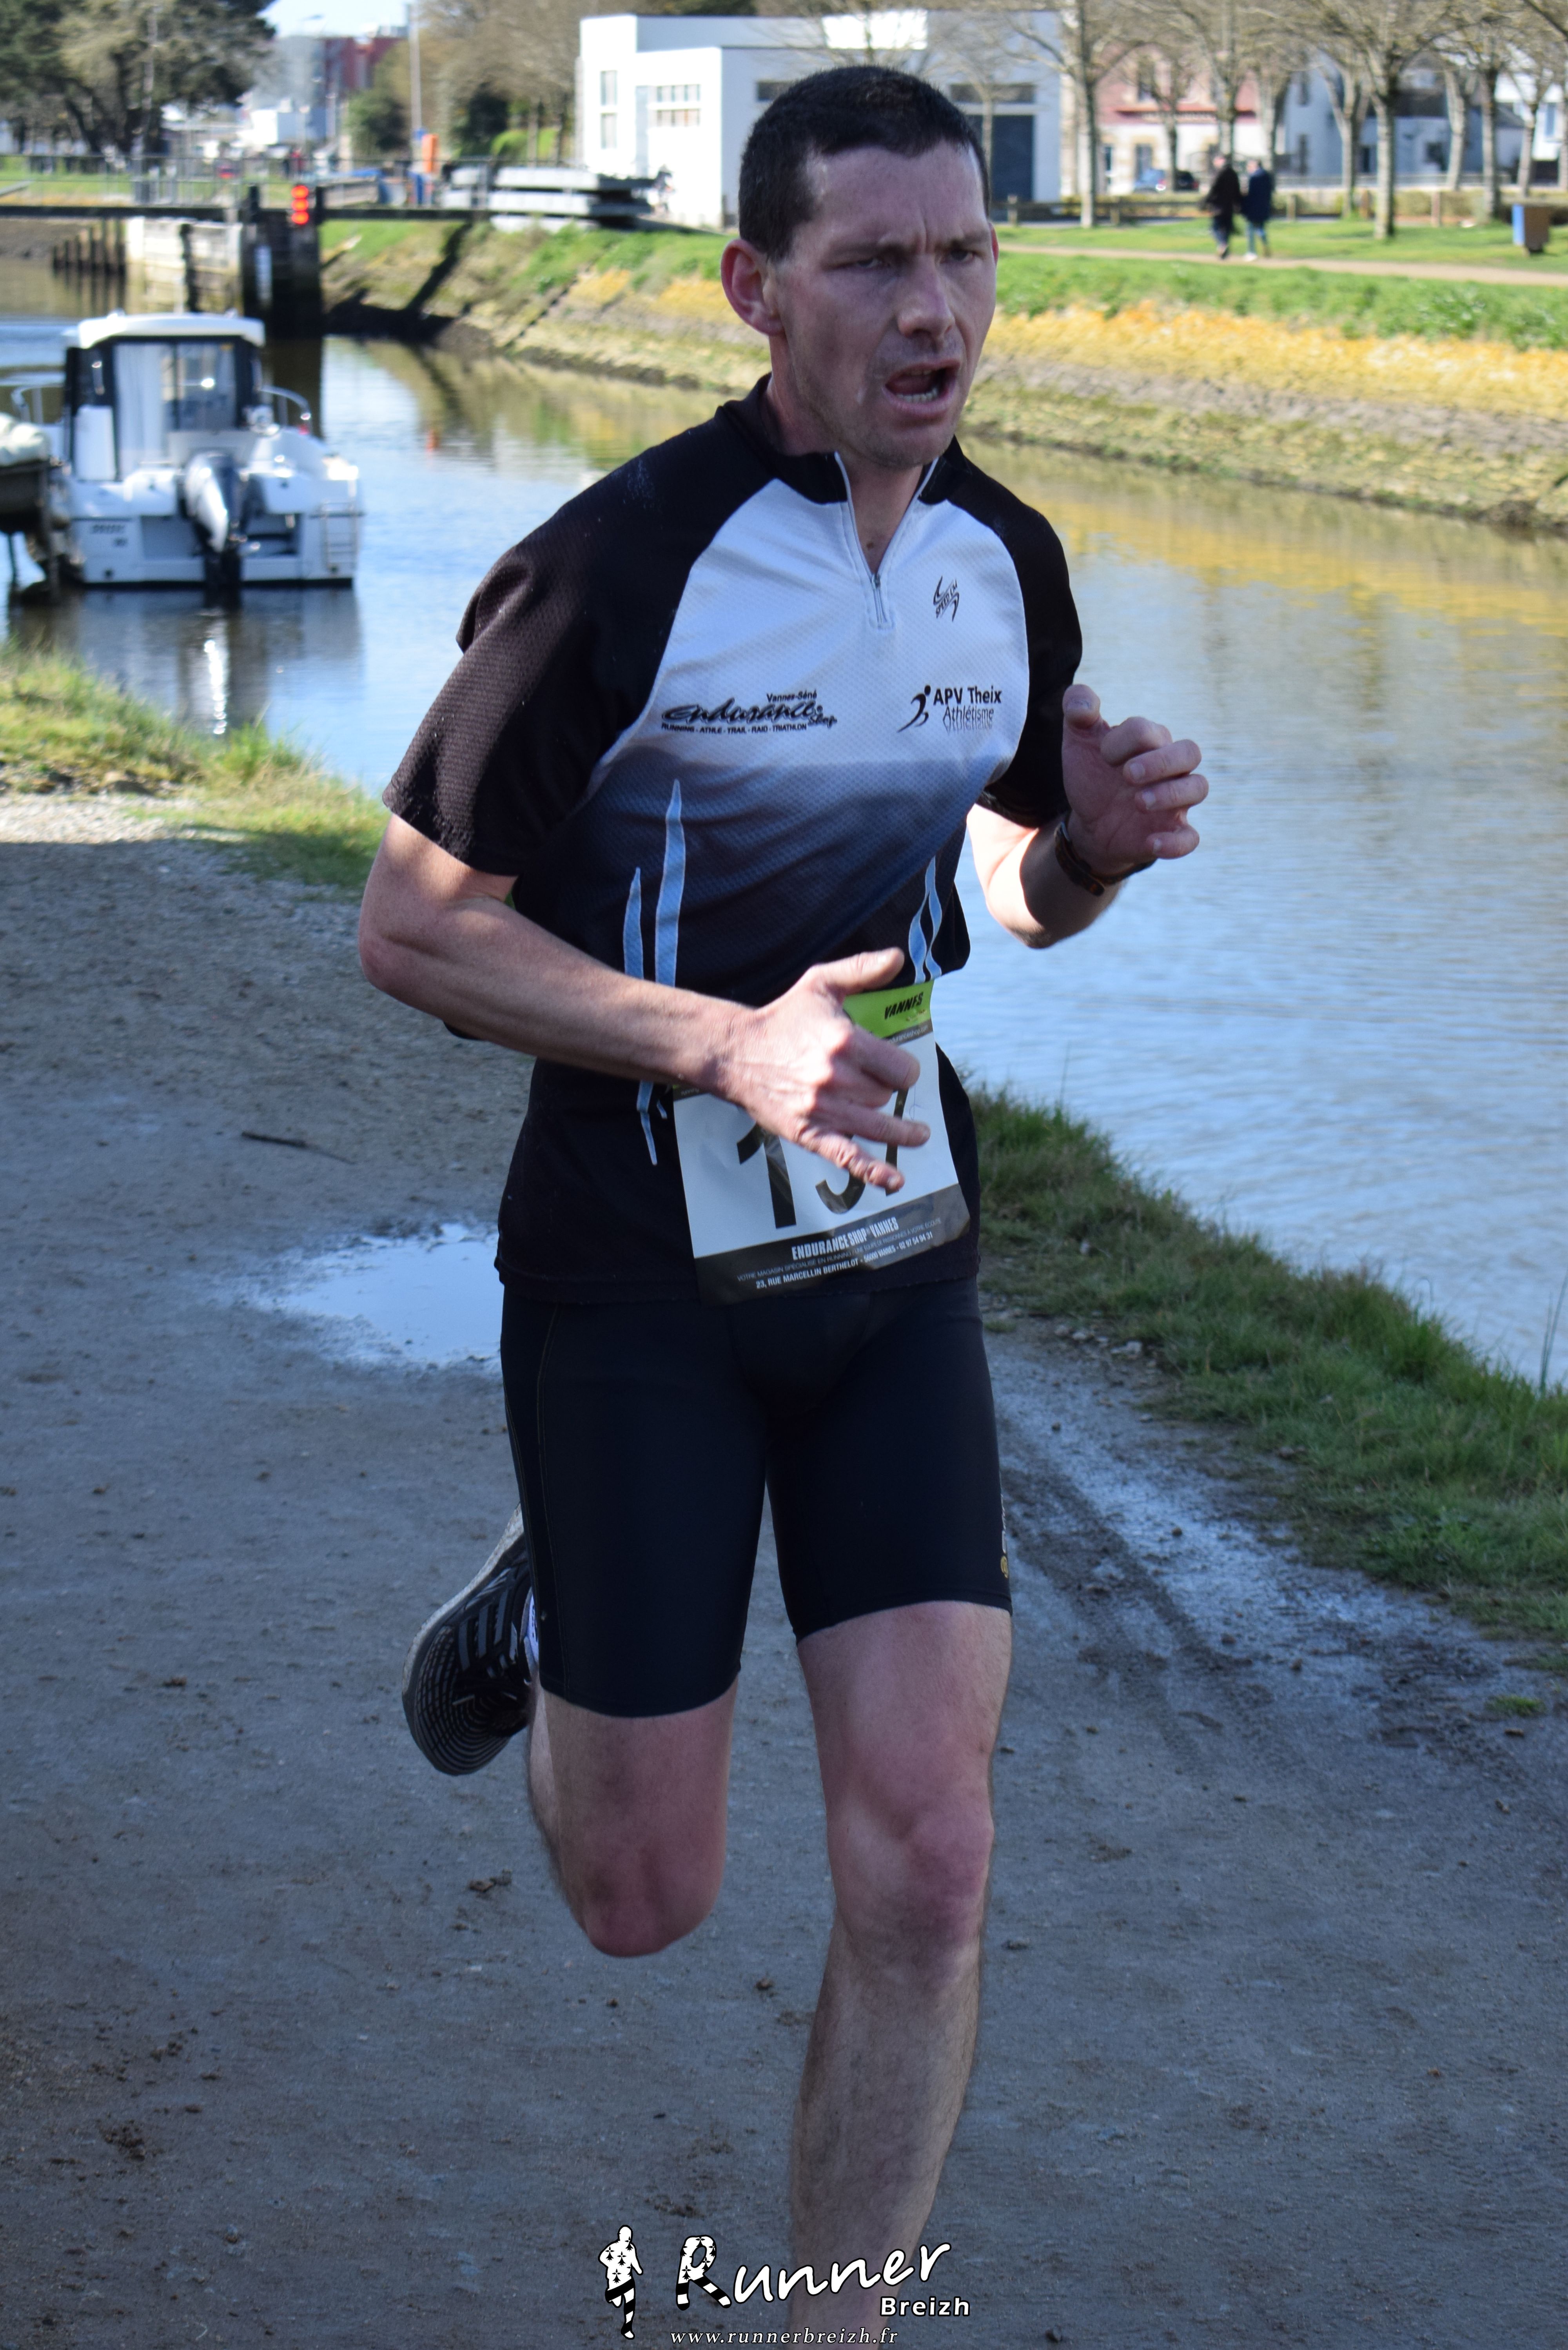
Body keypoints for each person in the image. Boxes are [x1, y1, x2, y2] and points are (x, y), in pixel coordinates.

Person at [361, 65, 1207, 2335]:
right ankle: (557, 1598)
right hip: (633, 1273)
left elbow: (1006, 891)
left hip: (890, 1252)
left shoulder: (1001, 558)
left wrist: (1092, 845)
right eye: (874, 263)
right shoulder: (615, 569)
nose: (935, 310)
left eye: (965, 257)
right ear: (754, 287)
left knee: (930, 1855)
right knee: (641, 1893)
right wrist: (722, 1041)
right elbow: (415, 930)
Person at [1203, 152, 1243, 258]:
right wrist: (1238, 204)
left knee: (1216, 228)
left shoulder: (1219, 173)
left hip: (1218, 206)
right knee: (1227, 228)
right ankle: (1225, 247)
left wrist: (1205, 201)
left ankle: (1222, 244)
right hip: (1229, 206)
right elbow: (1237, 191)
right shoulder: (1233, 174)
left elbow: (1214, 188)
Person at [1243, 157, 1275, 258]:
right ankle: (1265, 244)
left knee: (1250, 229)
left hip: (1253, 207)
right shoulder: (1267, 176)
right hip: (1264, 206)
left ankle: (1251, 252)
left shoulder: (1254, 177)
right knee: (1261, 228)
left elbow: (1250, 193)